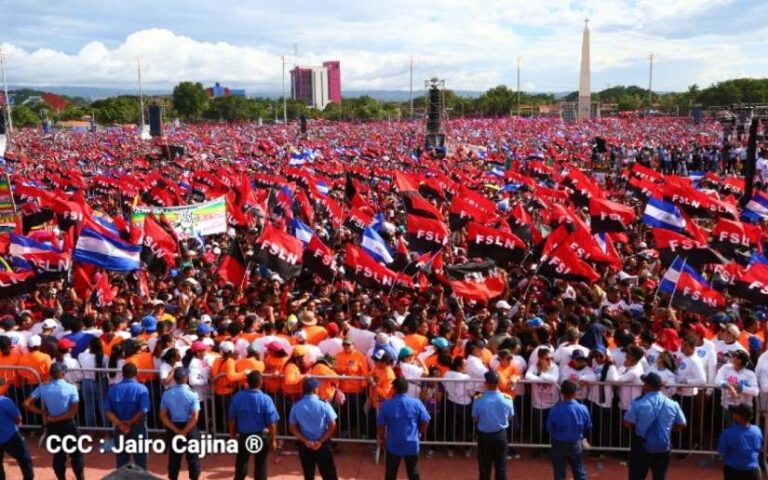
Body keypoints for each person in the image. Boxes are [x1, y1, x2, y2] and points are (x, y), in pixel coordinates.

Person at [23, 362, 84, 480]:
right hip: (68, 425)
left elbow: (26, 403)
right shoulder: (71, 388)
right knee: (76, 454)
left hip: (53, 426)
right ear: (62, 373)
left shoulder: (43, 387)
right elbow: (73, 411)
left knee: (58, 455)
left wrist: (43, 412)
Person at [623, 372, 687, 480]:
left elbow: (627, 423)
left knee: (636, 476)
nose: (643, 385)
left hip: (641, 445)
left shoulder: (638, 403)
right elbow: (682, 423)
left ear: (648, 386)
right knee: (660, 476)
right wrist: (667, 430)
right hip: (663, 445)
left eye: (645, 383)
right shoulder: (672, 404)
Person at [377, 377, 431, 480]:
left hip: (393, 445)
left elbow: (380, 425)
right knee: (413, 472)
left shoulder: (387, 404)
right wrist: (419, 432)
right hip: (412, 444)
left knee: (390, 473)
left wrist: (382, 439)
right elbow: (425, 421)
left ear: (394, 389)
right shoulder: (416, 403)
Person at [229, 371, 279, 480]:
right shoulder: (266, 399)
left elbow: (232, 419)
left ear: (247, 382)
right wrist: (273, 439)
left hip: (243, 436)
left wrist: (232, 434)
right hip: (261, 436)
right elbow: (272, 423)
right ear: (260, 383)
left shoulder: (237, 397)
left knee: (241, 462)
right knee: (261, 464)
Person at [289, 377, 339, 480]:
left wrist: (306, 441)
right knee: (329, 473)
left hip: (305, 445)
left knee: (308, 474)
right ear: (315, 389)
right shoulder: (324, 404)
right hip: (323, 444)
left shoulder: (296, 405)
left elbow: (292, 427)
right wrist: (320, 441)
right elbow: (332, 424)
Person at [103, 363, 151, 470]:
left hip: (120, 429)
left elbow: (107, 411)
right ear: (136, 373)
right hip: (138, 427)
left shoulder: (113, 389)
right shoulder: (142, 389)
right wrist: (130, 422)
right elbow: (144, 410)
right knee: (140, 460)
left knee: (121, 459)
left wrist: (120, 424)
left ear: (122, 374)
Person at [159, 367, 201, 480]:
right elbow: (195, 417)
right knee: (193, 458)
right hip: (190, 428)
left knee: (174, 458)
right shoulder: (193, 394)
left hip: (174, 428)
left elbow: (162, 415)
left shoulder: (167, 394)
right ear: (186, 378)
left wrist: (177, 431)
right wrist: (185, 431)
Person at [472, 370, 514, 480]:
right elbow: (510, 416)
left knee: (484, 468)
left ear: (486, 383)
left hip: (484, 436)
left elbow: (474, 418)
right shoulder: (507, 399)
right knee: (501, 467)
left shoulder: (478, 399)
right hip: (501, 435)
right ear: (498, 383)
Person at [546, 380, 591, 480]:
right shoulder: (583, 408)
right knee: (579, 472)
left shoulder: (554, 410)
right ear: (575, 393)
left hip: (559, 444)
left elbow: (549, 428)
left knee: (559, 473)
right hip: (575, 444)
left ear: (561, 392)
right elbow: (588, 425)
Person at [717, 403, 763, 480]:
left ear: (740, 417)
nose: (733, 415)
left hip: (733, 472)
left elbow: (721, 453)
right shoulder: (757, 430)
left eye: (736, 413)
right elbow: (759, 446)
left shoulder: (727, 433)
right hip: (753, 472)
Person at [0, 391, 34, 480]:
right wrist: (18, 424)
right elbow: (18, 418)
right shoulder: (5, 401)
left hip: (8, 435)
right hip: (10, 436)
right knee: (25, 459)